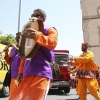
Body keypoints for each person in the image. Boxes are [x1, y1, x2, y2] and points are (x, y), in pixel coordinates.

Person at [8, 9, 58, 100]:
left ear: (44, 19)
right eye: (32, 14)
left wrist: (37, 36)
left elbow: (53, 43)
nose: (33, 16)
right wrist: (20, 73)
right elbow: (25, 54)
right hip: (27, 73)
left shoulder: (50, 29)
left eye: (37, 15)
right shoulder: (28, 31)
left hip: (42, 72)